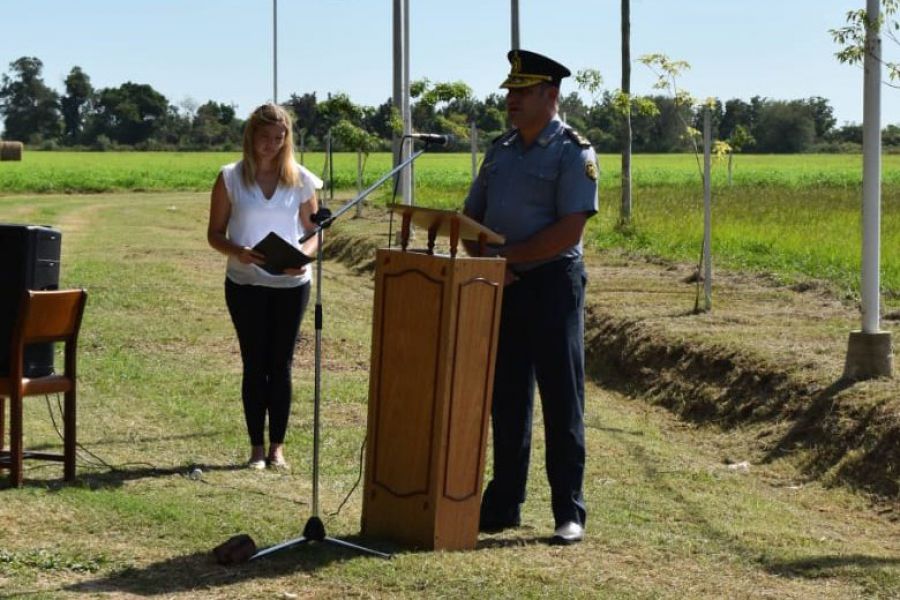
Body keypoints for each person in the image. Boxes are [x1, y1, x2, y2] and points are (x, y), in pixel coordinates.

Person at [463, 50, 599, 544]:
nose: (511, 101)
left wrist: (512, 259)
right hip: (503, 285)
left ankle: (568, 510)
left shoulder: (572, 152)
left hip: (551, 285)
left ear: (551, 95)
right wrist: (485, 253)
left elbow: (570, 228)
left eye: (522, 92)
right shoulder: (499, 151)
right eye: (509, 92)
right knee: (508, 397)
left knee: (562, 398)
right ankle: (503, 505)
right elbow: (471, 217)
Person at [207, 103, 322, 470]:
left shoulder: (301, 179)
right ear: (251, 136)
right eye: (265, 137)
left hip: (291, 283)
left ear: (287, 140)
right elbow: (214, 233)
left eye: (279, 138)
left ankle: (278, 448)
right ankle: (256, 449)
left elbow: (314, 231)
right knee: (255, 363)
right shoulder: (230, 177)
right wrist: (237, 251)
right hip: (245, 282)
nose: (271, 145)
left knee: (282, 363)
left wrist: (303, 256)